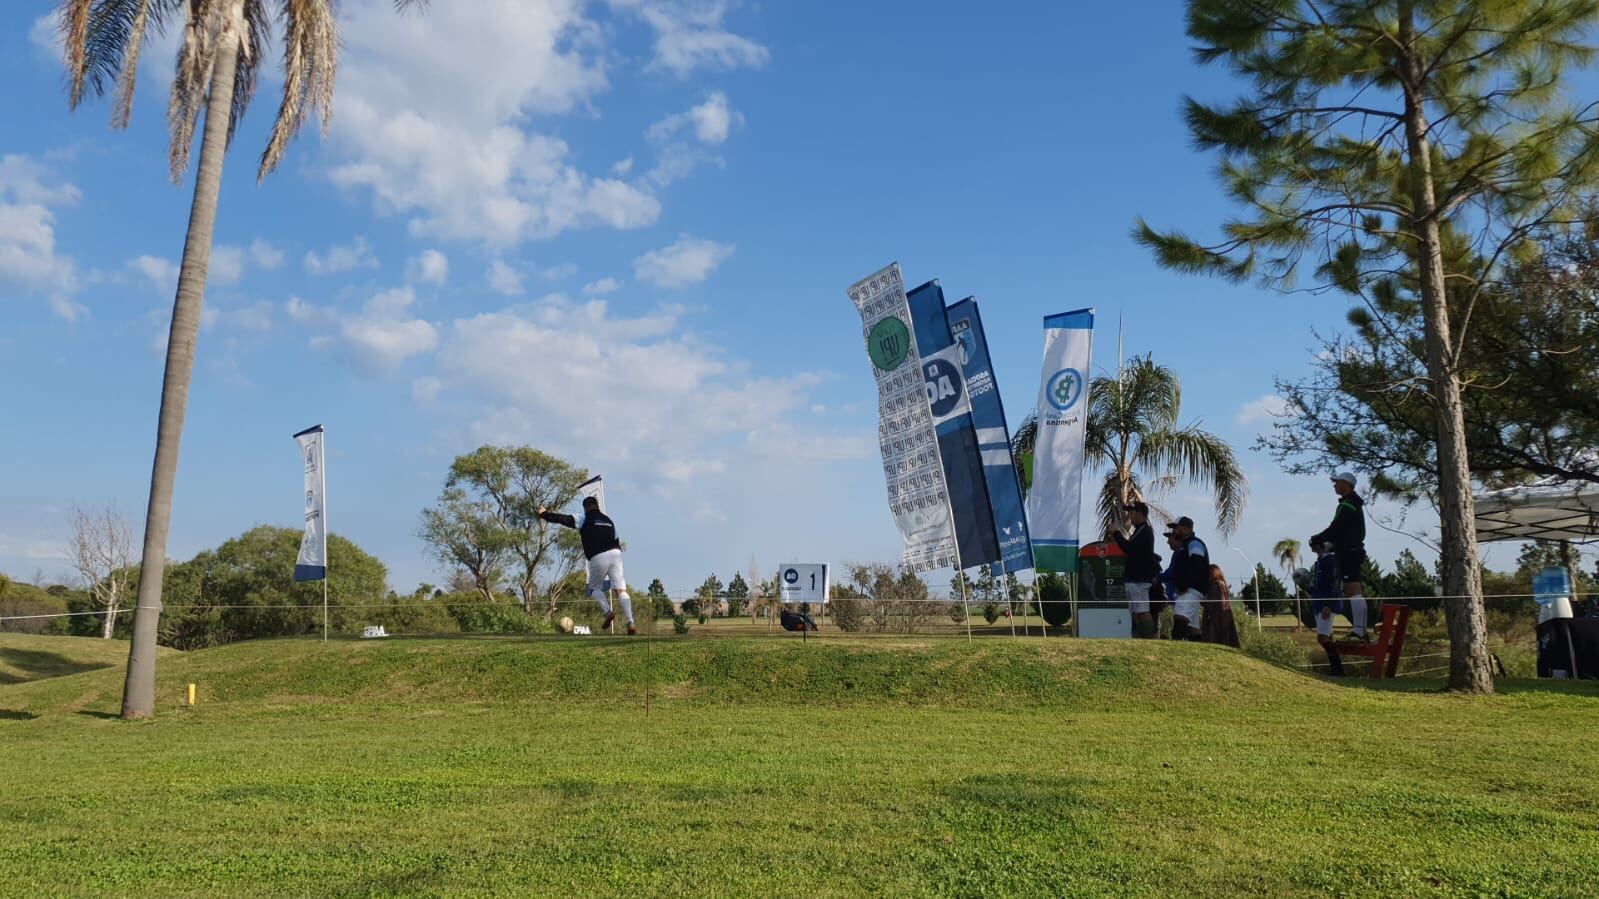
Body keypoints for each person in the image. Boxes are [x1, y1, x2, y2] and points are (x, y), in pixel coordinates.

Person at [538, 496, 635, 635]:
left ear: (585, 507)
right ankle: (631, 621)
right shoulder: (609, 521)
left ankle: (608, 612)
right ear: (597, 506)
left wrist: (544, 514)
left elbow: (563, 519)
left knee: (594, 588)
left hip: (598, 556)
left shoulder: (584, 517)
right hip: (616, 555)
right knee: (621, 591)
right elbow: (616, 540)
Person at [1310, 472, 1369, 642]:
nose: (1334, 485)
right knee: (1353, 590)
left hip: (1349, 551)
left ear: (1346, 484)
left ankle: (1360, 631)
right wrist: (1329, 543)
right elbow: (1341, 532)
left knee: (1353, 590)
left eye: (1337, 482)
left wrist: (1316, 539)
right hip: (1349, 549)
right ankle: (1360, 630)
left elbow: (1335, 529)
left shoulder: (1347, 505)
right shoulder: (1350, 504)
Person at [1113, 501, 1159, 638]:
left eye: (1132, 513)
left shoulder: (1145, 530)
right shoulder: (1138, 531)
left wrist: (1116, 533)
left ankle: (1150, 639)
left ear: (1141, 514)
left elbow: (1128, 548)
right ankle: (1139, 637)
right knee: (1135, 612)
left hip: (1139, 579)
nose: (1130, 516)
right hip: (1133, 579)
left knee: (1142, 611)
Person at [1305, 542, 1346, 675]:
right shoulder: (1320, 561)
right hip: (1319, 602)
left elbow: (1335, 583)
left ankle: (1338, 669)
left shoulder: (1330, 560)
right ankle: (1336, 670)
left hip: (1326, 604)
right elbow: (1318, 587)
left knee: (1322, 637)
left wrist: (1329, 605)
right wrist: (1304, 584)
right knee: (1327, 636)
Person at [1168, 516, 1211, 641]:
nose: (1174, 531)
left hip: (1190, 591)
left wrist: (1183, 586)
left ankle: (1173, 651)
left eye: (1176, 528)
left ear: (1186, 528)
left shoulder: (1194, 543)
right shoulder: (1185, 545)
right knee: (1192, 629)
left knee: (1180, 617)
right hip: (1188, 590)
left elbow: (1196, 566)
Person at [1202, 564, 1240, 647]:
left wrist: (1204, 603)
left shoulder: (1217, 586)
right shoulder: (1222, 585)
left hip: (1216, 618)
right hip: (1222, 617)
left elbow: (1214, 604)